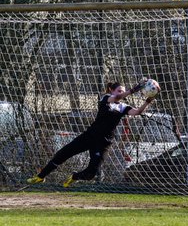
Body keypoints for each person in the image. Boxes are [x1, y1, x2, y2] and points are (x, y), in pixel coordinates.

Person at [27, 80, 159, 187]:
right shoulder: (106, 98)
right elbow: (117, 97)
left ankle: (75, 176)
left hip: (103, 142)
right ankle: (40, 177)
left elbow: (137, 112)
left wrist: (148, 100)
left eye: (123, 92)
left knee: (91, 174)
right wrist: (133, 90)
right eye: (119, 90)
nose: (121, 93)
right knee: (63, 153)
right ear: (112, 91)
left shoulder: (123, 107)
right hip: (90, 136)